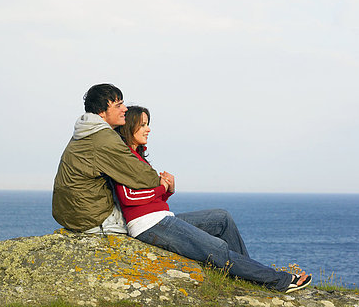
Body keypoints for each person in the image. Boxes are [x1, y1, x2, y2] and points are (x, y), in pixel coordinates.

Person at [114, 106, 312, 294]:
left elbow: (150, 198)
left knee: (221, 218)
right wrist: (161, 187)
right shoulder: (123, 157)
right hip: (148, 224)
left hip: (160, 216)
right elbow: (129, 197)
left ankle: (248, 275)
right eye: (143, 124)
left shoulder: (137, 157)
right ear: (130, 126)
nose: (148, 129)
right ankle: (279, 280)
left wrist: (168, 190)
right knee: (217, 249)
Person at [52, 84, 161, 234]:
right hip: (92, 218)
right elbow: (143, 176)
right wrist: (163, 183)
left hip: (71, 213)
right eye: (118, 105)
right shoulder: (103, 138)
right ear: (102, 112)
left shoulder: (85, 130)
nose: (125, 109)